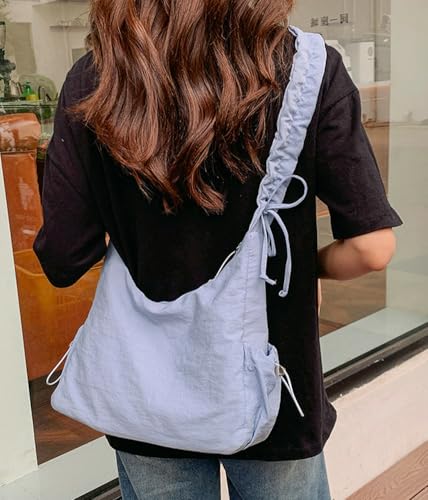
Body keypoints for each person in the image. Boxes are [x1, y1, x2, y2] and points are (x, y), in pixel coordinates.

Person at [33, 0, 403, 498]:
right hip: (276, 387)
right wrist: (303, 269)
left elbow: (63, 257)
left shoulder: (96, 78)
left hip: (147, 394)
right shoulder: (307, 68)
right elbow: (372, 248)